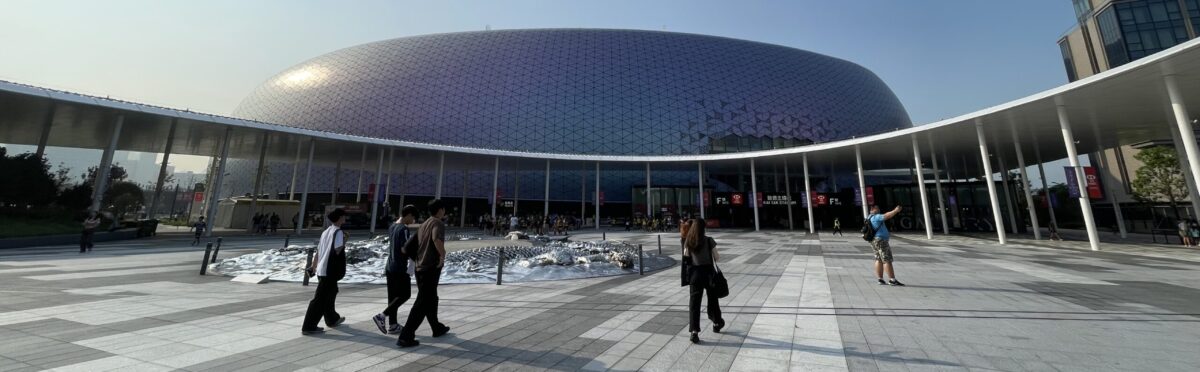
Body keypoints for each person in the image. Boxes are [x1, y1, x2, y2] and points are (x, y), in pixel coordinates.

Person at [396, 199, 451, 347]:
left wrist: (417, 259)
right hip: (430, 268)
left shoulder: (424, 224)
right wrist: (442, 255)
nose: (444, 212)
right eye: (444, 209)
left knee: (431, 298)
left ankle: (436, 327)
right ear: (440, 210)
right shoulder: (437, 223)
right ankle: (405, 336)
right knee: (423, 302)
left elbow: (406, 248)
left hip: (420, 267)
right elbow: (436, 238)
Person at [301, 209, 349, 335]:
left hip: (322, 270)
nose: (345, 218)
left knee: (331, 293)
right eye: (344, 216)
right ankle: (309, 326)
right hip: (330, 270)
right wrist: (345, 240)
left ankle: (332, 319)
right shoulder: (338, 232)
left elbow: (318, 252)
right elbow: (338, 250)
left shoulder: (326, 232)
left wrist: (313, 267)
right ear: (340, 218)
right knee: (320, 299)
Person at [374, 205, 417, 335]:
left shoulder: (392, 226)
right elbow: (405, 248)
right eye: (413, 217)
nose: (413, 220)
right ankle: (382, 316)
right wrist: (415, 256)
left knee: (393, 297)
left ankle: (393, 325)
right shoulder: (403, 229)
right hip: (399, 267)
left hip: (390, 266)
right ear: (408, 215)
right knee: (405, 294)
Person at [683, 219, 725, 344]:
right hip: (709, 274)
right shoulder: (709, 240)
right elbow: (717, 257)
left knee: (694, 303)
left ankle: (694, 332)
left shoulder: (689, 241)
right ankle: (717, 323)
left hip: (695, 274)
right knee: (713, 299)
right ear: (703, 228)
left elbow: (686, 255)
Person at [868, 205, 904, 286]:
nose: (879, 209)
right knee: (887, 260)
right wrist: (895, 210)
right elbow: (887, 215)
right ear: (873, 209)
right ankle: (892, 280)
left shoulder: (869, 217)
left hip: (874, 240)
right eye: (877, 208)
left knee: (878, 259)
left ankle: (880, 279)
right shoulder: (876, 217)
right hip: (881, 240)